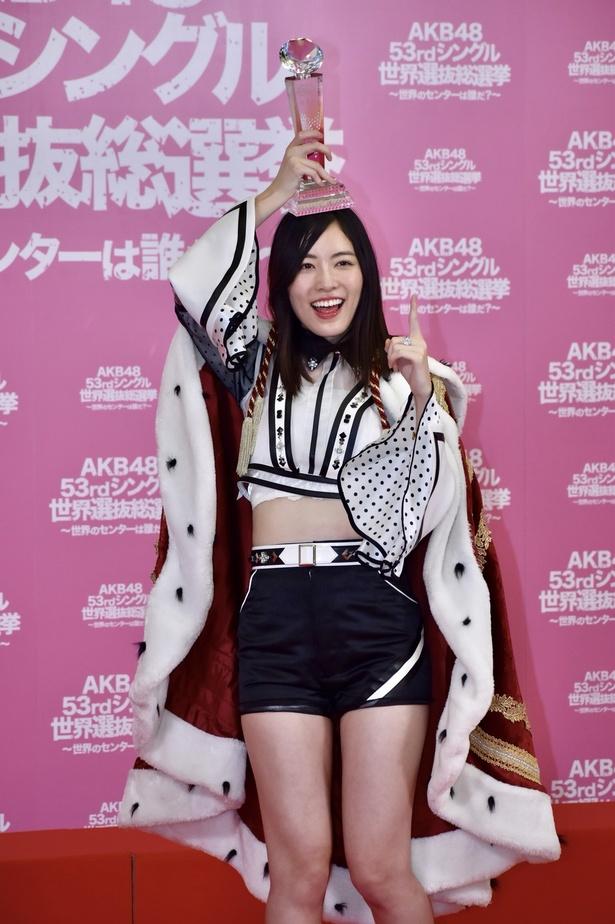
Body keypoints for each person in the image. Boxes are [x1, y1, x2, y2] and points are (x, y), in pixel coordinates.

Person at [119, 132, 560, 923]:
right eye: (306, 265)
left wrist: (421, 403)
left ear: (368, 274)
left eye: (343, 262)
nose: (325, 282)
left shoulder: (404, 379)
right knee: (297, 871)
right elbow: (193, 285)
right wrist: (275, 192)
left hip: (377, 631)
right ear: (281, 282)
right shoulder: (252, 363)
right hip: (275, 629)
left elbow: (414, 527)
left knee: (384, 870)